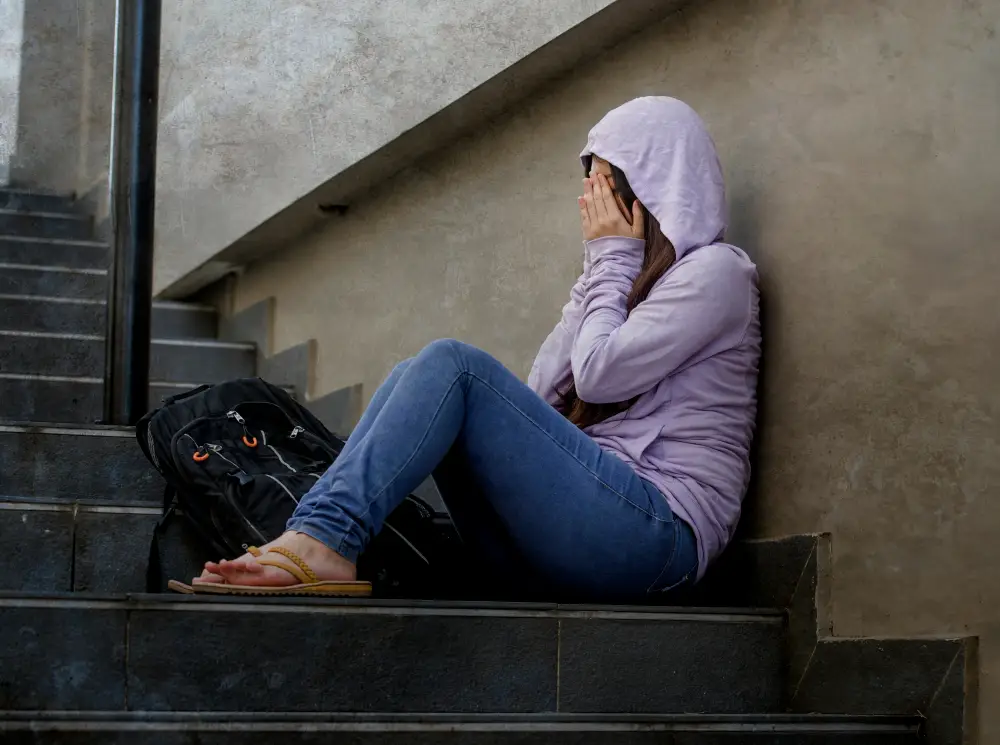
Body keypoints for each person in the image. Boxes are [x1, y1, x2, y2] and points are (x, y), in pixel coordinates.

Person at [183, 96, 761, 602]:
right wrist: (595, 275)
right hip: (570, 542)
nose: (593, 210)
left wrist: (611, 259)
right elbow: (542, 394)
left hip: (656, 541)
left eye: (607, 189)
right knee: (423, 375)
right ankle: (316, 535)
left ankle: (323, 539)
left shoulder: (718, 274)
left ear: (654, 189)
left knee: (453, 365)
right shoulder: (624, 278)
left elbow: (597, 378)